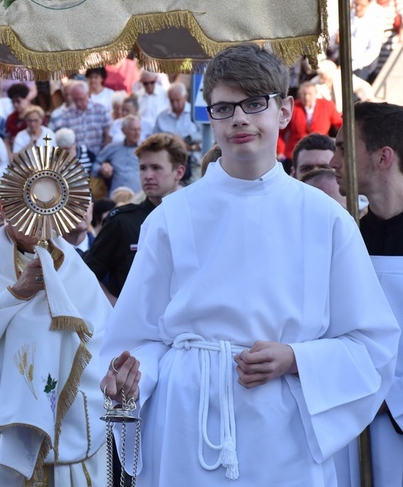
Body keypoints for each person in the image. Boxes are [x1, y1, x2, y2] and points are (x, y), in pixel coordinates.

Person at [100, 43, 400, 486]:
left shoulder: (325, 218)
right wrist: (128, 382)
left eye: (254, 103)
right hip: (187, 423)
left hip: (284, 425)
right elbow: (140, 337)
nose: (239, 118)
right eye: (223, 107)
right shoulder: (172, 217)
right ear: (209, 119)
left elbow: (371, 343)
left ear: (284, 111)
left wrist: (296, 357)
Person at [0, 198, 111, 485]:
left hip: (63, 431)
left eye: (45, 211)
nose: (36, 221)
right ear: (4, 208)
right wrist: (14, 294)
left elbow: (101, 339)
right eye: (26, 209)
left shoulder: (76, 269)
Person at [330, 101, 403, 487]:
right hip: (358, 419)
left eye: (343, 148)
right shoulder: (347, 240)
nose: (333, 159)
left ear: (383, 157)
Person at [83, 133, 186, 304]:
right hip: (134, 328)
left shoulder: (194, 219)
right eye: (143, 168)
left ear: (179, 172)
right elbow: (87, 273)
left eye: (156, 168)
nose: (148, 176)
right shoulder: (122, 222)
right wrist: (115, 308)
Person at [277, 82, 342, 168]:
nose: (307, 97)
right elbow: (280, 131)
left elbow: (340, 123)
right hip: (295, 153)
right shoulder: (294, 107)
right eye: (304, 94)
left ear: (316, 94)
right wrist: (280, 151)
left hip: (321, 151)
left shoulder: (326, 105)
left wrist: (341, 145)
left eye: (310, 94)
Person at [53, 80, 112, 157]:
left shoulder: (100, 109)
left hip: (99, 156)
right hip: (78, 159)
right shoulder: (67, 115)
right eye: (75, 100)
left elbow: (109, 135)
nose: (78, 103)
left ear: (88, 94)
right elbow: (65, 141)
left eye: (81, 99)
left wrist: (103, 156)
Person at [93, 115, 143, 194]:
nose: (137, 133)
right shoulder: (113, 148)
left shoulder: (145, 149)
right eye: (133, 130)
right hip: (116, 196)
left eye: (139, 129)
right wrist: (101, 169)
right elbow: (95, 164)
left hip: (137, 197)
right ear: (123, 131)